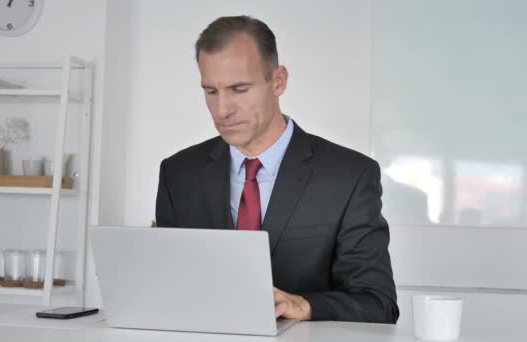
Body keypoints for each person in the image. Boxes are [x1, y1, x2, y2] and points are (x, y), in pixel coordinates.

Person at [155, 15, 399, 323]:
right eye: (211, 91)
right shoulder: (178, 174)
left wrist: (304, 306)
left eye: (239, 89)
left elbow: (378, 304)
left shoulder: (349, 176)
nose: (222, 110)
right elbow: (167, 287)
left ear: (278, 81)